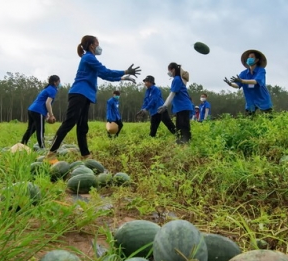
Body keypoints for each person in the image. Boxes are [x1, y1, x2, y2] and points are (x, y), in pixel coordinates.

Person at [45, 35, 140, 164]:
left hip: (85, 95)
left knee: (83, 126)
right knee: (69, 122)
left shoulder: (91, 59)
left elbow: (104, 74)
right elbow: (106, 71)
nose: (99, 46)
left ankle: (85, 154)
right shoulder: (88, 58)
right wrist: (124, 71)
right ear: (91, 45)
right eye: (97, 43)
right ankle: (51, 153)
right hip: (79, 93)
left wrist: (123, 78)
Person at [224, 49, 273, 116]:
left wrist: (242, 81)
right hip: (250, 101)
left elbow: (255, 81)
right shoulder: (243, 73)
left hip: (263, 100)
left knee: (268, 120)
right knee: (248, 121)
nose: (249, 59)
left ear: (257, 60)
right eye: (248, 57)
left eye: (252, 57)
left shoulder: (261, 71)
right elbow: (237, 85)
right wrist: (231, 84)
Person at [21, 75, 60, 149]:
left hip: (32, 109)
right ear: (55, 82)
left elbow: (43, 102)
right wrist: (51, 115)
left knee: (31, 129)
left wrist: (47, 114)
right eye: (58, 81)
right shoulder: (53, 90)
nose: (59, 83)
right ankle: (42, 148)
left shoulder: (47, 88)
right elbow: (47, 103)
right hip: (38, 111)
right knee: (40, 130)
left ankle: (22, 144)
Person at [158, 63, 194, 144]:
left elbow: (172, 93)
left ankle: (186, 144)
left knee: (184, 126)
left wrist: (165, 105)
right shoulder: (177, 79)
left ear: (173, 69)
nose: (169, 73)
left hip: (183, 106)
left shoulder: (177, 79)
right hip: (180, 107)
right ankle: (180, 143)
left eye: (169, 70)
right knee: (179, 127)